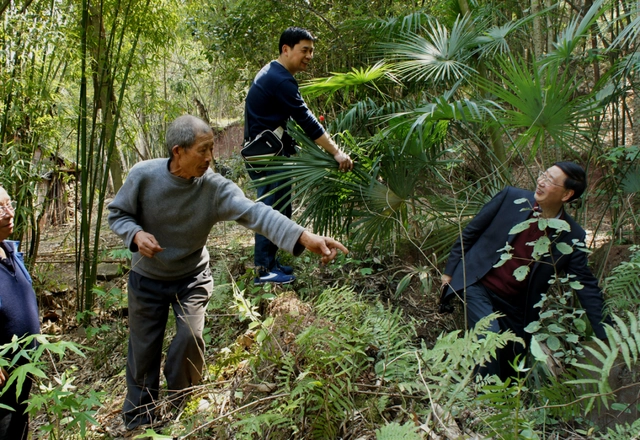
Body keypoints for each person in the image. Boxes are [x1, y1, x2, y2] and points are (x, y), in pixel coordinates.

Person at [108, 114, 349, 431]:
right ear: (177, 151)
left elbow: (256, 213)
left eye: (211, 149)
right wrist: (136, 235)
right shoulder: (144, 176)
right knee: (143, 351)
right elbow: (118, 214)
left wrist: (305, 237)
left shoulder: (214, 188)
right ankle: (139, 420)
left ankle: (182, 413)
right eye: (203, 149)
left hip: (191, 278)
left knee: (190, 338)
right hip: (147, 279)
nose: (210, 158)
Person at [440, 162, 610, 380]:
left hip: (517, 307)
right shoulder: (511, 198)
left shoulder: (571, 235)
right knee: (490, 338)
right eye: (543, 175)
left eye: (550, 180)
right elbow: (470, 233)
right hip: (478, 282)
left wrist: (606, 333)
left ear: (567, 194)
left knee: (511, 366)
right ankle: (483, 401)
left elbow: (585, 283)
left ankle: (503, 407)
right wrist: (449, 272)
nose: (541, 182)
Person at [244, 26, 353, 284]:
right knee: (270, 209)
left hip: (269, 153)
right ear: (286, 49)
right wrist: (336, 152)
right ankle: (263, 270)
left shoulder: (273, 72)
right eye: (305, 50)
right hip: (268, 157)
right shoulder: (279, 79)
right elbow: (307, 120)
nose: (310, 56)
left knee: (279, 208)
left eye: (312, 51)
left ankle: (270, 262)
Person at [0, 186, 40, 439]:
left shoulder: (11, 251)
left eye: (9, 204)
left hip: (22, 373)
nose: (8, 213)